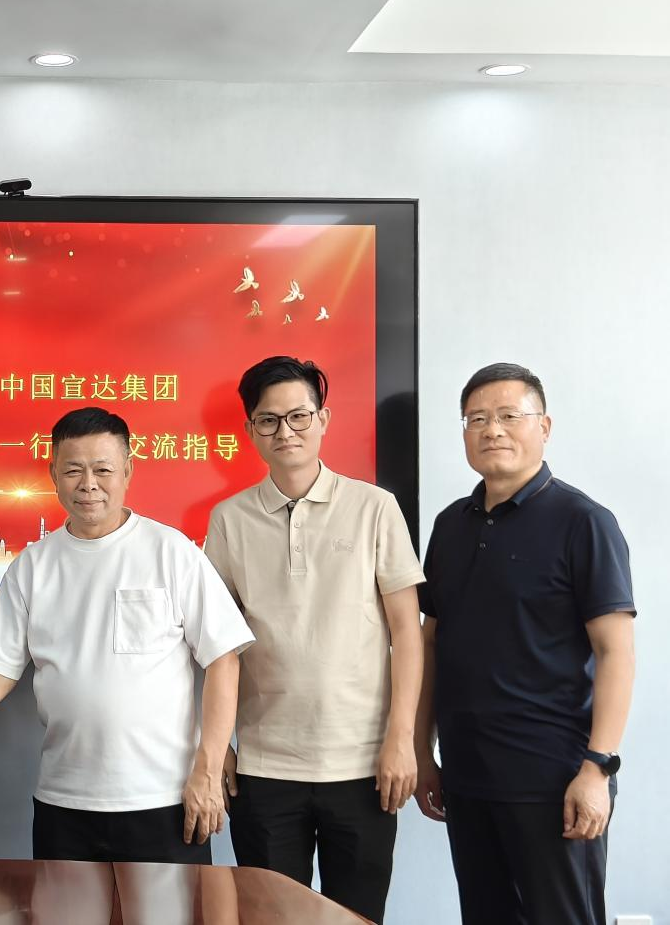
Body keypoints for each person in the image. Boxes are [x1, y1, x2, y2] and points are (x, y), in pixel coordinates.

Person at [0, 407, 252, 864]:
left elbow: (223, 659)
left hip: (164, 798)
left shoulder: (172, 552)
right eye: (74, 470)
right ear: (53, 475)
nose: (89, 484)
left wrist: (208, 768)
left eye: (103, 470)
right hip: (64, 801)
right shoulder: (32, 566)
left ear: (128, 471)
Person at [203, 356, 424, 925]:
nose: (286, 431)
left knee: (357, 916)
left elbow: (408, 630)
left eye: (299, 416)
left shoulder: (375, 507)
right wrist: (218, 745)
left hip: (363, 763)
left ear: (323, 419)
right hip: (264, 767)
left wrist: (402, 739)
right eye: (269, 420)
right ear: (251, 430)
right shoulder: (229, 520)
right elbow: (214, 645)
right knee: (270, 918)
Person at [414, 363, 635, 925]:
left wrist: (598, 769)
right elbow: (431, 643)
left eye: (510, 415)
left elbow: (616, 652)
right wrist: (421, 751)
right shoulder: (450, 525)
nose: (492, 430)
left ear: (544, 426)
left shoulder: (584, 522)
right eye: (477, 419)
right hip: (467, 774)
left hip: (554, 778)